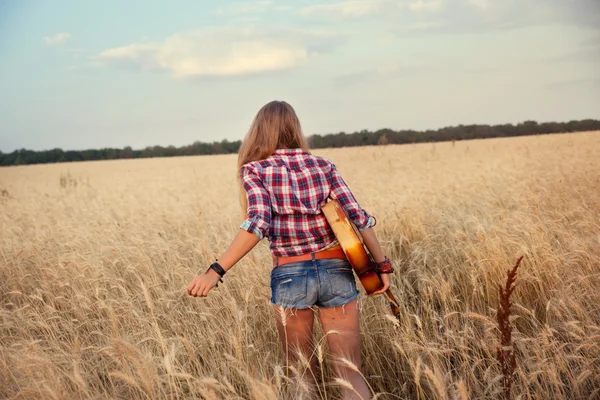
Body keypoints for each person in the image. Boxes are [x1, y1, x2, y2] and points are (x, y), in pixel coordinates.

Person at [187, 100, 393, 400]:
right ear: (295, 128)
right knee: (350, 373)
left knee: (299, 375)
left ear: (258, 131)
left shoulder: (254, 170)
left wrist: (214, 271)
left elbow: (258, 222)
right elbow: (357, 217)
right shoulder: (323, 165)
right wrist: (381, 266)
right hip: (336, 269)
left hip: (290, 276)